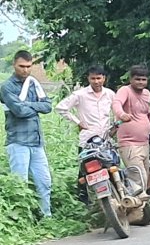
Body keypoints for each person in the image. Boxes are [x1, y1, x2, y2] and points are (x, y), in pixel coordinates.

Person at [1, 50, 53, 217]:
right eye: (21, 66)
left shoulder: (33, 83)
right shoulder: (6, 87)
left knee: (44, 183)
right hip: (18, 141)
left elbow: (48, 106)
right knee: (19, 185)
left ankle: (47, 217)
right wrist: (35, 107)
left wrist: (28, 105)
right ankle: (22, 219)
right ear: (14, 65)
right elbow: (19, 111)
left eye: (28, 66)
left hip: (37, 142)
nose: (25, 70)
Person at [112, 65, 150, 191]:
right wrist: (122, 114)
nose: (140, 82)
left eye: (143, 79)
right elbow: (116, 103)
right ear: (130, 79)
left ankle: (139, 207)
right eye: (137, 79)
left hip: (145, 144)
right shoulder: (125, 90)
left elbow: (148, 115)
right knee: (137, 179)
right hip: (129, 145)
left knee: (145, 179)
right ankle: (137, 211)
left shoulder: (146, 93)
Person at [56, 65, 116, 149]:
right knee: (89, 162)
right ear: (88, 79)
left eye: (98, 78)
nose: (96, 82)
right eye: (93, 78)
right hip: (87, 139)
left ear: (104, 78)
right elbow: (61, 108)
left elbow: (117, 111)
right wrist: (78, 122)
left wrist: (115, 127)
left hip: (106, 139)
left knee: (110, 161)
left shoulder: (110, 94)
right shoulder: (80, 94)